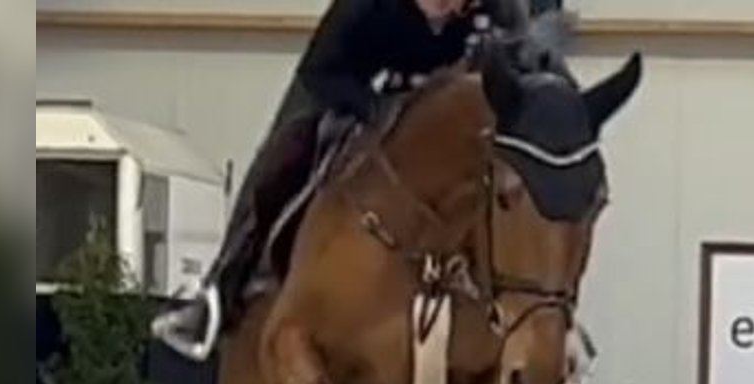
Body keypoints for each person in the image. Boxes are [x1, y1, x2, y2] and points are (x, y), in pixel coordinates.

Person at [153, 0, 564, 362]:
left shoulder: (497, 8)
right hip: (362, 100)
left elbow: (528, 67)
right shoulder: (366, 6)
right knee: (283, 156)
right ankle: (220, 289)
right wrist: (374, 109)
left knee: (517, 184)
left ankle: (544, 305)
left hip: (450, 129)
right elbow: (321, 72)